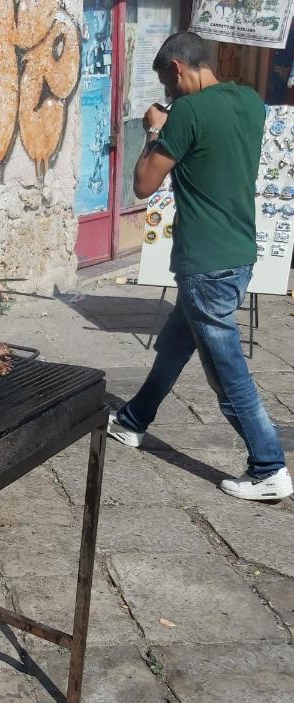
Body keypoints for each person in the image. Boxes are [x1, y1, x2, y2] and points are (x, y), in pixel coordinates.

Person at [108, 31, 292, 503]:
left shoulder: (185, 112)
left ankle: (268, 465)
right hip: (239, 254)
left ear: (176, 70)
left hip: (204, 261)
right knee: (174, 342)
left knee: (225, 368)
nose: (167, 98)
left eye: (167, 87)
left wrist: (153, 128)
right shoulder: (251, 103)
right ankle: (133, 421)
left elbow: (144, 185)